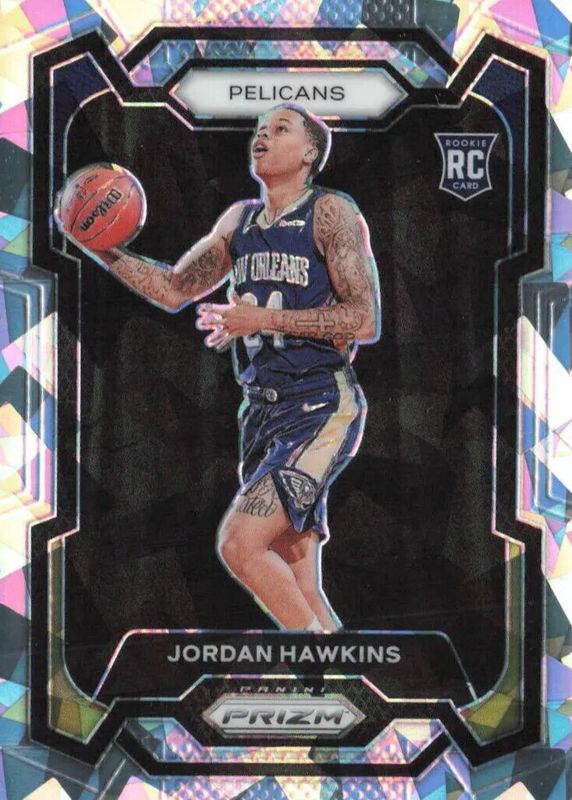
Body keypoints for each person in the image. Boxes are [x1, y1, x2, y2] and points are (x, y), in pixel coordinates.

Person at [82, 103, 380, 632]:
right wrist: (101, 247)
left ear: (309, 152)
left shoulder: (330, 211)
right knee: (299, 580)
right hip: (262, 414)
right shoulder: (239, 220)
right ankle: (341, 674)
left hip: (321, 404)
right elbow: (174, 289)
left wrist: (260, 318)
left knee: (240, 544)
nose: (262, 136)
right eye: (260, 129)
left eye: (280, 129)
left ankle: (314, 661)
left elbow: (365, 319)